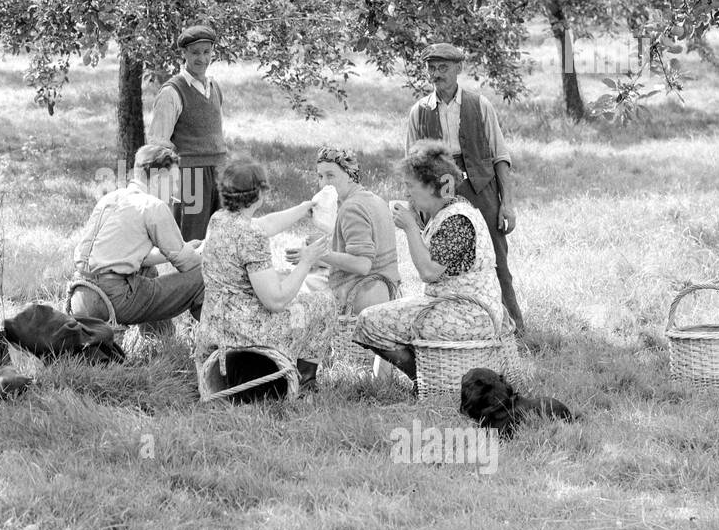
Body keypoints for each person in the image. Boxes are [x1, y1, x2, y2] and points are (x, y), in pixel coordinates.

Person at [355, 142, 507, 382]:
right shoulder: (448, 212)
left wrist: (409, 228)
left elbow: (428, 272)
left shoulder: (457, 220)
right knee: (379, 317)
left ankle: (428, 379)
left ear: (433, 186)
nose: (406, 193)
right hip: (456, 308)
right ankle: (433, 376)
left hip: (469, 315)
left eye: (410, 186)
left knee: (369, 322)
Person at [404, 41, 524, 333]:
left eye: (443, 67)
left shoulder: (479, 105)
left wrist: (506, 204)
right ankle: (457, 329)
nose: (436, 74)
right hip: (439, 192)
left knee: (497, 259)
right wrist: (416, 206)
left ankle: (513, 328)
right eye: (431, 68)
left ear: (458, 68)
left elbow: (500, 157)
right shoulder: (419, 112)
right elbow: (412, 165)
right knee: (443, 262)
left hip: (480, 186)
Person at [194, 159, 336, 388]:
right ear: (259, 194)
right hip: (245, 331)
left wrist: (303, 209)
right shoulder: (251, 236)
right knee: (323, 301)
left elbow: (264, 224)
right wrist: (306, 261)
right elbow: (276, 301)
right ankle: (305, 381)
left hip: (215, 326)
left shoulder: (219, 219)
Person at [71, 142, 204, 329]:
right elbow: (189, 264)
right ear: (158, 179)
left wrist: (187, 248)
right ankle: (217, 345)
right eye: (173, 182)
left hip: (80, 296)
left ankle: (160, 342)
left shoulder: (110, 199)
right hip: (112, 298)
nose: (176, 191)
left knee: (149, 273)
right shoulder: (152, 205)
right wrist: (206, 251)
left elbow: (128, 258)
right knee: (202, 278)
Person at [287, 146, 401, 315]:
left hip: (359, 300)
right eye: (320, 176)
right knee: (309, 277)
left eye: (330, 175)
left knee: (292, 301)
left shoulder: (351, 208)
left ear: (349, 176)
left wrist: (315, 254)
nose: (324, 183)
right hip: (388, 294)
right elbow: (366, 251)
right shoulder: (375, 200)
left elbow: (362, 264)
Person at [147, 24, 227, 242]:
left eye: (206, 52)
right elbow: (158, 143)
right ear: (184, 54)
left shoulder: (215, 87)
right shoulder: (172, 92)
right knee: (192, 239)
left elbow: (214, 131)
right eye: (195, 53)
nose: (201, 58)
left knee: (222, 236)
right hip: (191, 175)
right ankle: (187, 277)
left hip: (219, 171)